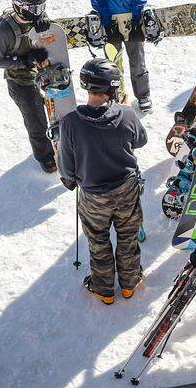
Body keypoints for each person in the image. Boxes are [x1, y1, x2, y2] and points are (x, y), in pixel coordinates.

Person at [59, 59, 148, 304]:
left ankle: (104, 290)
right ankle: (129, 284)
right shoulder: (127, 114)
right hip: (126, 190)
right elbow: (141, 140)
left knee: (98, 240)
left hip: (93, 195)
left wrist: (69, 179)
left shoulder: (70, 123)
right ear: (112, 88)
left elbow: (66, 164)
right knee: (128, 235)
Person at [0, 0, 56, 173]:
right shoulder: (4, 30)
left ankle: (61, 140)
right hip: (20, 80)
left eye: (41, 8)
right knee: (36, 119)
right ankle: (45, 156)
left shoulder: (36, 18)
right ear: (19, 7)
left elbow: (44, 31)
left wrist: (45, 23)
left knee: (57, 106)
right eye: (34, 9)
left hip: (40, 69)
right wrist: (24, 61)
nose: (38, 13)